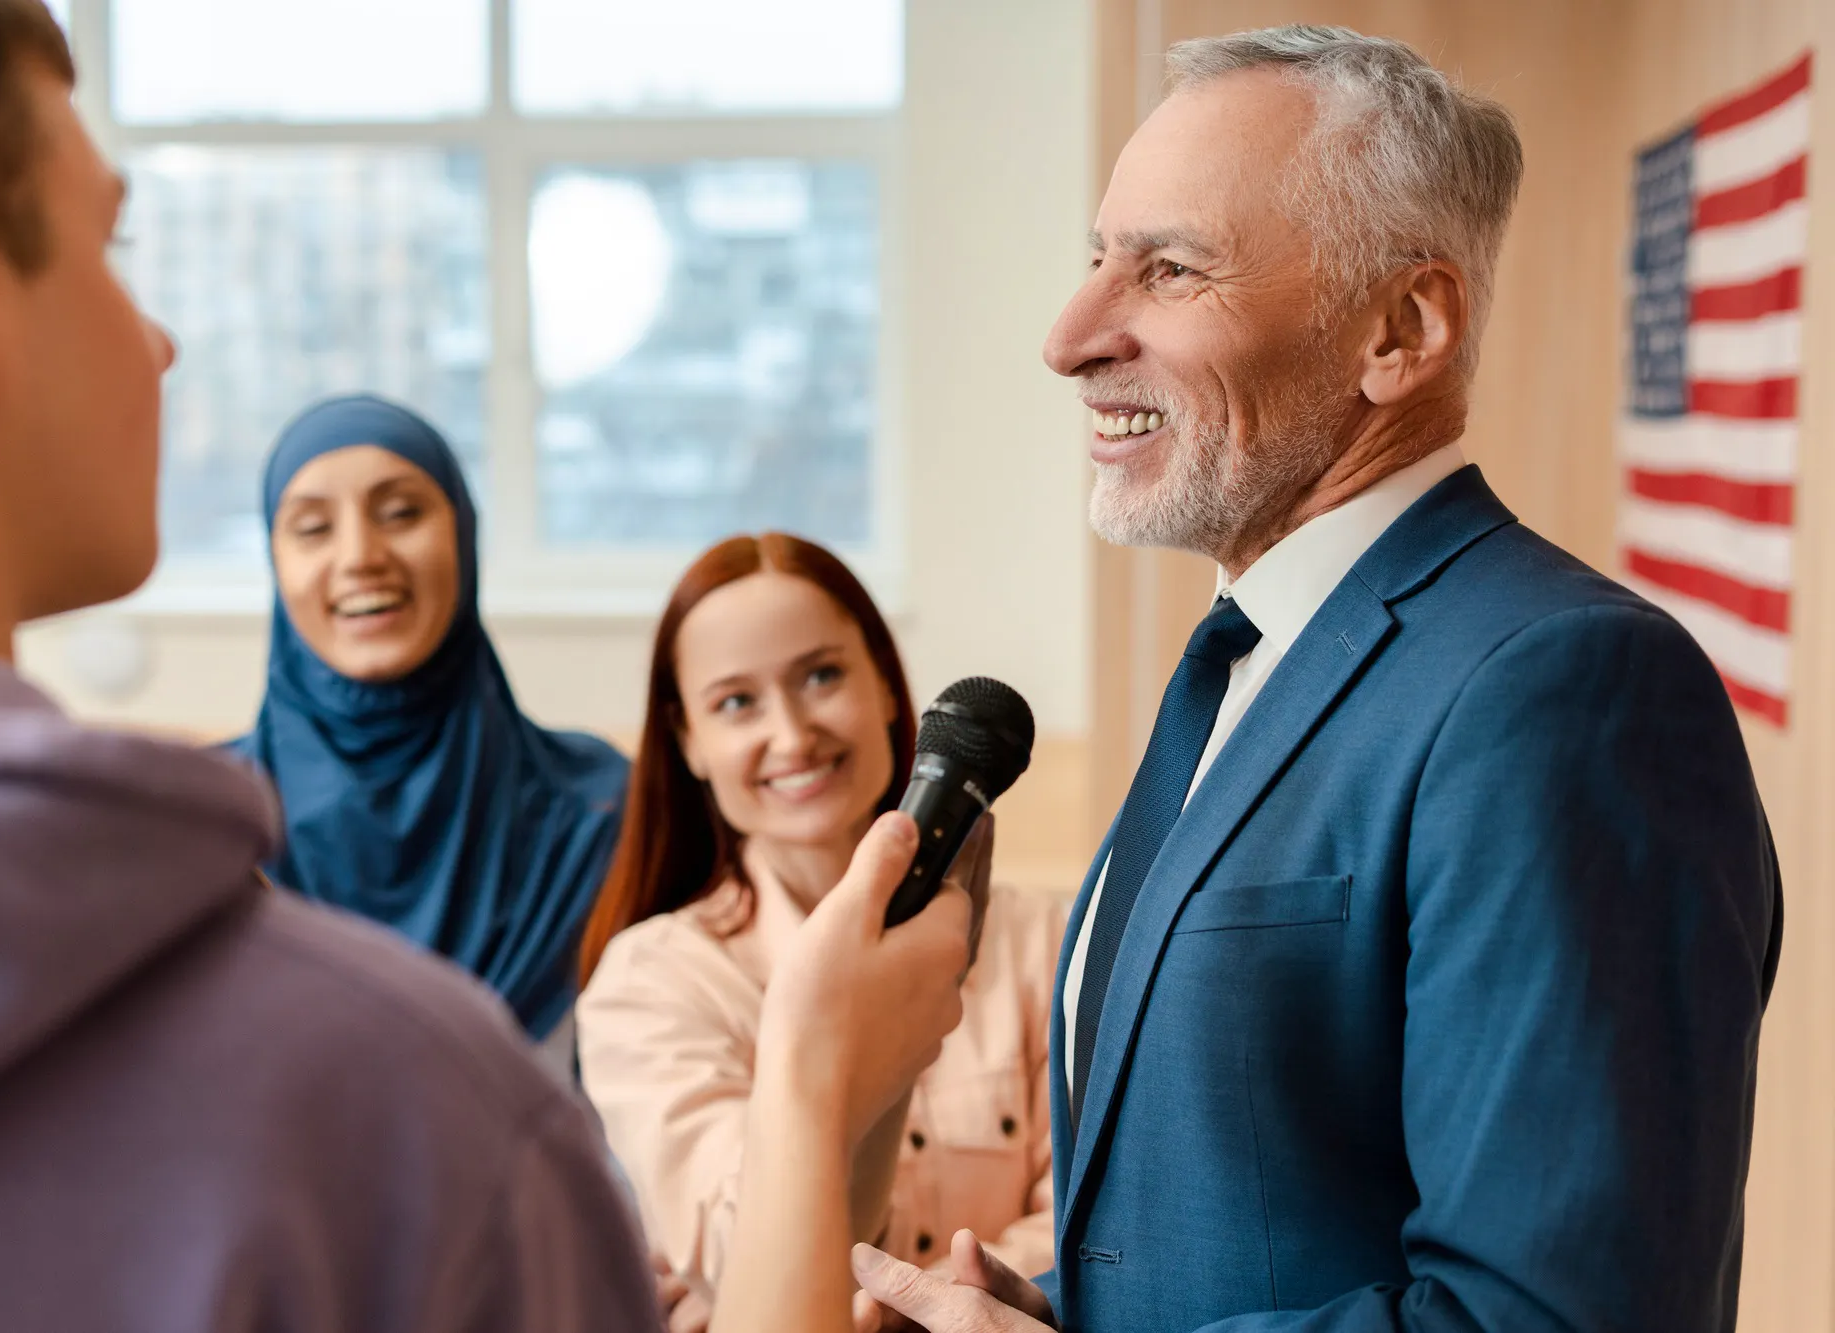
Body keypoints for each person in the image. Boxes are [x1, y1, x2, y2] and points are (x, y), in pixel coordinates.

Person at [730, 25, 1786, 1333]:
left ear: (1400, 329)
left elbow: (1561, 1318)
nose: (1069, 338)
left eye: (1168, 270)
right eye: (1095, 261)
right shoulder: (1247, 651)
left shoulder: (1568, 691)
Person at [0, 2, 657, 1326]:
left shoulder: (594, 836)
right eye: (113, 249)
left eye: (402, 509)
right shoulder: (426, 1134)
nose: (157, 341)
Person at [576, 532, 1067, 1325]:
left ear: (881, 681)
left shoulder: (1042, 939)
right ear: (688, 740)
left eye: (822, 674)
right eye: (737, 702)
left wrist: (922, 1301)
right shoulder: (650, 982)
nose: (794, 733)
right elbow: (742, 1255)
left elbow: (1093, 1215)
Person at [229, 394, 627, 1064]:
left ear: (464, 536)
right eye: (313, 527)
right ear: (275, 563)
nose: (360, 556)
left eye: (401, 513)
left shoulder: (603, 814)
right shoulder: (211, 829)